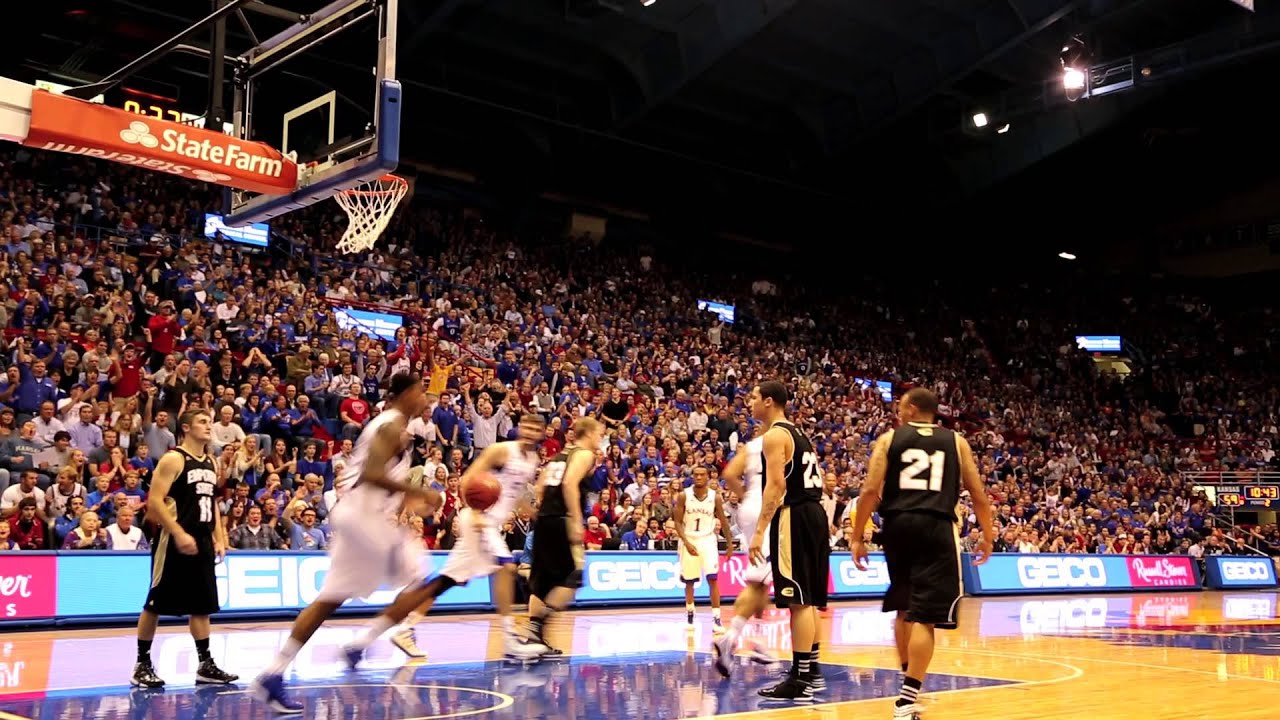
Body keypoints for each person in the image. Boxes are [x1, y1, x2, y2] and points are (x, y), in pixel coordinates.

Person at [250, 373, 439, 714]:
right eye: (421, 391)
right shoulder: (390, 425)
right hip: (363, 518)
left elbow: (378, 480)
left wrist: (406, 502)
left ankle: (272, 674)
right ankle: (362, 643)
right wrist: (419, 492)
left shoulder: (397, 429)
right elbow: (372, 474)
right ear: (405, 394)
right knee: (423, 576)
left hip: (356, 517)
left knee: (329, 599)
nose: (425, 398)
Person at [343, 413, 548, 662]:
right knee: (506, 567)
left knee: (442, 583)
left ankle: (374, 637)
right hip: (479, 520)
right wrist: (477, 514)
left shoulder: (532, 459)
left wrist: (534, 513)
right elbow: (467, 481)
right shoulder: (501, 451)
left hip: (490, 524)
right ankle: (509, 641)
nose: (528, 431)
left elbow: (514, 495)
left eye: (534, 428)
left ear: (542, 433)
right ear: (519, 427)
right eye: (525, 425)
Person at [850, 387, 995, 720]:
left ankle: (906, 685)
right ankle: (907, 699)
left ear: (913, 409)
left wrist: (857, 536)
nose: (898, 412)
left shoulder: (890, 439)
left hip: (897, 524)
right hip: (936, 525)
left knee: (903, 604)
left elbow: (870, 490)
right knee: (924, 615)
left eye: (901, 407)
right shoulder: (956, 442)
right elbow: (978, 493)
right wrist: (987, 536)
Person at [131, 409, 237, 688]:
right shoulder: (173, 459)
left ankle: (205, 665)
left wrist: (219, 536)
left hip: (201, 540)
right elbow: (154, 502)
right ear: (187, 428)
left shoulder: (212, 462)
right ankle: (141, 664)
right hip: (173, 539)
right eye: (202, 422)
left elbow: (211, 501)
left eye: (209, 421)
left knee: (202, 606)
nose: (208, 426)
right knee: (155, 603)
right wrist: (178, 533)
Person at [747, 380, 829, 702]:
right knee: (807, 599)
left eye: (754, 397)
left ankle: (799, 678)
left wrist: (758, 531)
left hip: (794, 514)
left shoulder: (774, 435)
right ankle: (810, 673)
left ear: (769, 401)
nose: (749, 402)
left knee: (797, 599)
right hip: (814, 513)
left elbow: (776, 486)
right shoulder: (801, 434)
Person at [711, 392, 782, 677]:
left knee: (760, 582)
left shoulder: (751, 446)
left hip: (751, 506)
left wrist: (745, 497)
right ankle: (729, 638)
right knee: (758, 584)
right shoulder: (782, 442)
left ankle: (759, 643)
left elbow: (728, 474)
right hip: (768, 507)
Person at [524, 416, 605, 656]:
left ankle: (533, 640)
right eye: (599, 434)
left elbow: (538, 489)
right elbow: (570, 483)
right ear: (588, 433)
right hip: (563, 519)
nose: (600, 439)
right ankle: (536, 626)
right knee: (574, 577)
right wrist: (576, 518)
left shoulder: (557, 457)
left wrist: (540, 512)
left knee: (542, 582)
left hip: (545, 519)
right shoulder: (583, 454)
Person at [674, 466, 733, 628]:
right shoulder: (683, 495)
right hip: (690, 538)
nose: (699, 477)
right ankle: (690, 614)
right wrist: (686, 542)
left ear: (708, 477)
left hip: (708, 540)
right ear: (692, 476)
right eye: (696, 475)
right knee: (689, 581)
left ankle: (716, 618)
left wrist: (729, 544)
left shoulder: (715, 497)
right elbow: (677, 522)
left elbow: (724, 521)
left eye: (702, 474)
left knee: (713, 578)